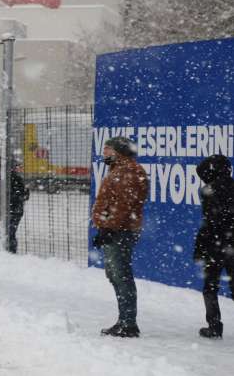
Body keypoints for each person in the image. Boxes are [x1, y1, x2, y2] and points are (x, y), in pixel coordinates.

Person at [92, 136, 148, 338]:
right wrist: (104, 227)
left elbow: (124, 205)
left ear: (119, 152)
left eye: (108, 149)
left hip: (120, 232)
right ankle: (124, 320)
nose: (104, 153)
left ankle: (128, 323)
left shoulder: (128, 172)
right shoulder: (120, 170)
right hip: (115, 229)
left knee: (121, 275)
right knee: (115, 275)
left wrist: (109, 228)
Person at [193, 154, 234, 339]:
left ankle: (214, 326)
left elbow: (209, 223)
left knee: (210, 286)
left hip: (216, 246)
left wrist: (200, 247)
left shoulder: (209, 190)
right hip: (230, 244)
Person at [0, 159, 29, 255]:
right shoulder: (16, 179)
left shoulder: (0, 181)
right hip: (14, 212)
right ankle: (10, 254)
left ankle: (1, 255)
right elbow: (25, 195)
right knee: (10, 235)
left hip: (0, 213)